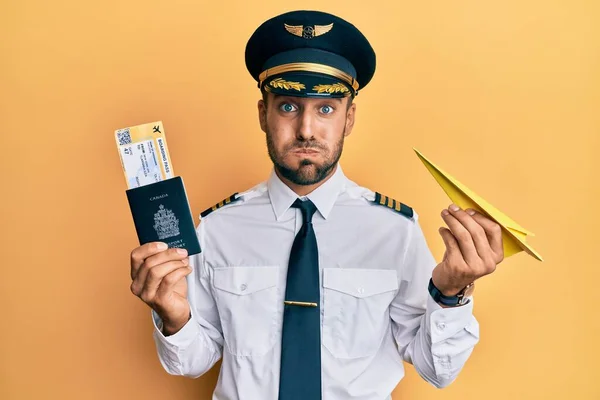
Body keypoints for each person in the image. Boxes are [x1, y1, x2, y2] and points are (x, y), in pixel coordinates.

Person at [129, 10, 504, 400]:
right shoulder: (218, 227)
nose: (306, 129)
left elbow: (436, 369)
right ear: (263, 114)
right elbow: (193, 361)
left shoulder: (395, 230)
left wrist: (450, 293)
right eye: (288, 106)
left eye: (326, 108)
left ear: (349, 118)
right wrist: (174, 317)